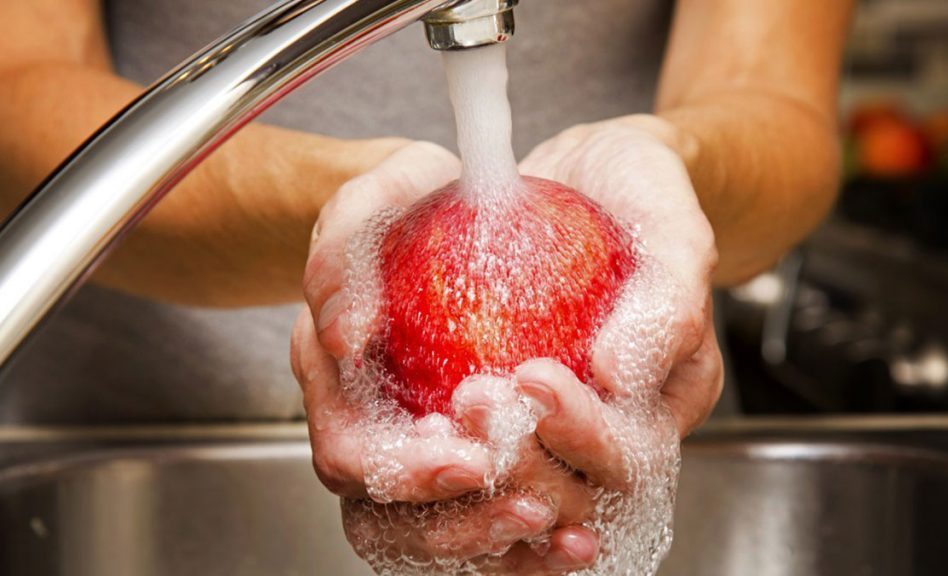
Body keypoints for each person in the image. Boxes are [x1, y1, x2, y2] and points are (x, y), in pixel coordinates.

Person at [0, 0, 853, 572]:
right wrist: (369, 227)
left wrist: (670, 164)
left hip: (620, 440)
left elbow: (775, 103)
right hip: (131, 471)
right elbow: (16, 95)